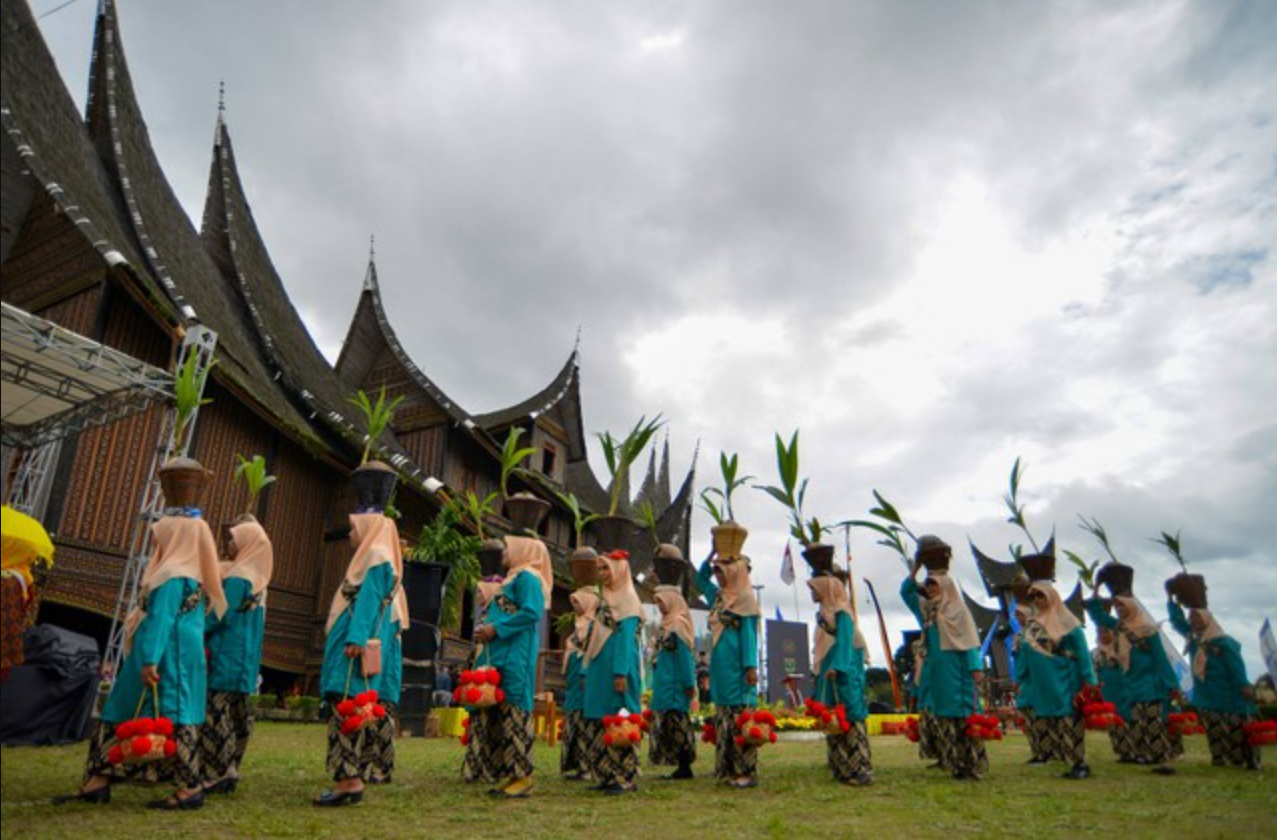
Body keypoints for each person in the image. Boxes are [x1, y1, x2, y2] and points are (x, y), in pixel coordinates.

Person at [56, 496, 227, 809]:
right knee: (163, 710)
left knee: (162, 712)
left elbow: (161, 619)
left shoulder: (173, 573)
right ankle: (101, 778)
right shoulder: (192, 573)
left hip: (164, 653)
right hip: (178, 651)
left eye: (162, 531)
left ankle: (188, 787)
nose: (154, 536)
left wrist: (149, 660)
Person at [313, 512, 401, 806]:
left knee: (346, 709)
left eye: (353, 528)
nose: (350, 534)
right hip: (353, 644)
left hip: (354, 650)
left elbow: (369, 600)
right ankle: (348, 778)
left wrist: (356, 638)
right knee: (346, 709)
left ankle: (348, 780)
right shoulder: (373, 557)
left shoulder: (376, 556)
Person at [469, 535, 551, 798]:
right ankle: (508, 773)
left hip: (516, 655)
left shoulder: (528, 577)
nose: (504, 551)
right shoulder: (512, 579)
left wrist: (496, 629)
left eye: (509, 546)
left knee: (516, 712)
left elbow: (531, 613)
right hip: (501, 654)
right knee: (502, 714)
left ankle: (523, 776)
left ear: (523, 550)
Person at [900, 547, 986, 781]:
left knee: (960, 715)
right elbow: (906, 592)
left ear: (946, 585)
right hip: (933, 673)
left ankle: (969, 764)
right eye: (927, 584)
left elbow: (969, 641)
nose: (928, 588)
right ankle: (951, 761)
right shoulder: (927, 610)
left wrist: (975, 667)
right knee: (942, 718)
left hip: (955, 671)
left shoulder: (959, 611)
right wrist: (915, 569)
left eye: (933, 584)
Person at [1086, 562, 1180, 775]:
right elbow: (1097, 616)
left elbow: (1160, 660)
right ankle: (1147, 756)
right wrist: (1095, 591)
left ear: (1132, 605)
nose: (1119, 609)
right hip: (1132, 685)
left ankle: (1164, 761)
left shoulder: (1148, 629)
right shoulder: (1119, 627)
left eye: (1122, 605)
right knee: (1139, 725)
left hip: (1151, 685)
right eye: (1116, 606)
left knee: (1155, 723)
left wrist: (1171, 685)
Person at [201, 515, 273, 795]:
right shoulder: (259, 578)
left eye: (233, 538)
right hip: (246, 659)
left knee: (217, 714)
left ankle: (218, 772)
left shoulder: (237, 577)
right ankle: (231, 767)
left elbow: (221, 614)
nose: (229, 544)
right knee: (239, 715)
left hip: (226, 655)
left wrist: (196, 630)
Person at [1165, 575, 1261, 770]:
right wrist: (1171, 600)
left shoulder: (1223, 642)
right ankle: (1218, 758)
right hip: (1206, 695)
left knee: (1235, 730)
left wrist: (1243, 685)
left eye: (1197, 618)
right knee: (1214, 728)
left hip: (1228, 694)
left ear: (1207, 619)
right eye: (1191, 618)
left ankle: (1243, 760)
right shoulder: (1193, 638)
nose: (1193, 621)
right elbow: (1176, 622)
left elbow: (1236, 667)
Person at [1016, 552, 1097, 780]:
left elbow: (1082, 652)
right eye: (1033, 597)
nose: (1037, 601)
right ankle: (1061, 757)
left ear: (1051, 596)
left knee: (1068, 719)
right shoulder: (1032, 625)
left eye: (1040, 596)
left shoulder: (1067, 621)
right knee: (1050, 720)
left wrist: (1089, 680)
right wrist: (1021, 678)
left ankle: (1079, 763)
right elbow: (1025, 654)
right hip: (1042, 682)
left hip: (1064, 678)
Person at [696, 552, 761, 788]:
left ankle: (745, 771)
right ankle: (726, 769)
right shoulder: (718, 597)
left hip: (739, 669)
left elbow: (749, 636)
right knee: (723, 718)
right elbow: (699, 579)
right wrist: (712, 553)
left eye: (722, 572)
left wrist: (750, 667)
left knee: (740, 719)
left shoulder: (745, 600)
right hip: (721, 669)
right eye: (717, 572)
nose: (718, 577)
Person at [583, 550, 644, 795]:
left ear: (619, 570)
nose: (602, 574)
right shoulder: (605, 598)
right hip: (600, 667)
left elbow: (625, 641)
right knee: (602, 719)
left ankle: (625, 776)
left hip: (618, 670)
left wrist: (620, 673)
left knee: (621, 719)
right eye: (599, 569)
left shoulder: (628, 599)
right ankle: (607, 774)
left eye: (606, 568)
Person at [809, 572, 873, 786]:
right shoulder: (825, 613)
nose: (812, 593)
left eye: (815, 588)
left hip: (846, 668)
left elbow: (845, 640)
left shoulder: (842, 613)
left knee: (851, 715)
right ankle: (842, 767)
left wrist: (838, 666)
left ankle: (861, 769)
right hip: (833, 667)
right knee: (833, 716)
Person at [648, 584, 698, 780]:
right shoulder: (666, 624)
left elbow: (685, 657)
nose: (659, 606)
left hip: (675, 685)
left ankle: (685, 767)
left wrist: (688, 684)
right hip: (664, 682)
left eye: (661, 601)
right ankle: (680, 766)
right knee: (670, 725)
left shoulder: (678, 624)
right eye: (657, 602)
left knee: (678, 725)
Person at [362, 577, 407, 785]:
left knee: (383, 718)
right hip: (374, 660)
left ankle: (383, 767)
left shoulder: (393, 596)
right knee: (368, 719)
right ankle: (366, 764)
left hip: (385, 666)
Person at [561, 586, 599, 781]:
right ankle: (578, 765)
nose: (574, 606)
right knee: (574, 719)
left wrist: (585, 674)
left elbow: (591, 653)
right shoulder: (580, 625)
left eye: (577, 602)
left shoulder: (593, 626)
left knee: (585, 722)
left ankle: (587, 766)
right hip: (575, 680)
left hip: (585, 679)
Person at [1092, 621, 1135, 762]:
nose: (1103, 635)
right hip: (1107, 690)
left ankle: (1135, 751)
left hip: (1124, 687)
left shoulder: (1123, 649)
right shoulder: (1095, 652)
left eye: (1106, 632)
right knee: (1112, 719)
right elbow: (1094, 672)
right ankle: (1122, 752)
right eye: (1099, 633)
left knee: (1128, 718)